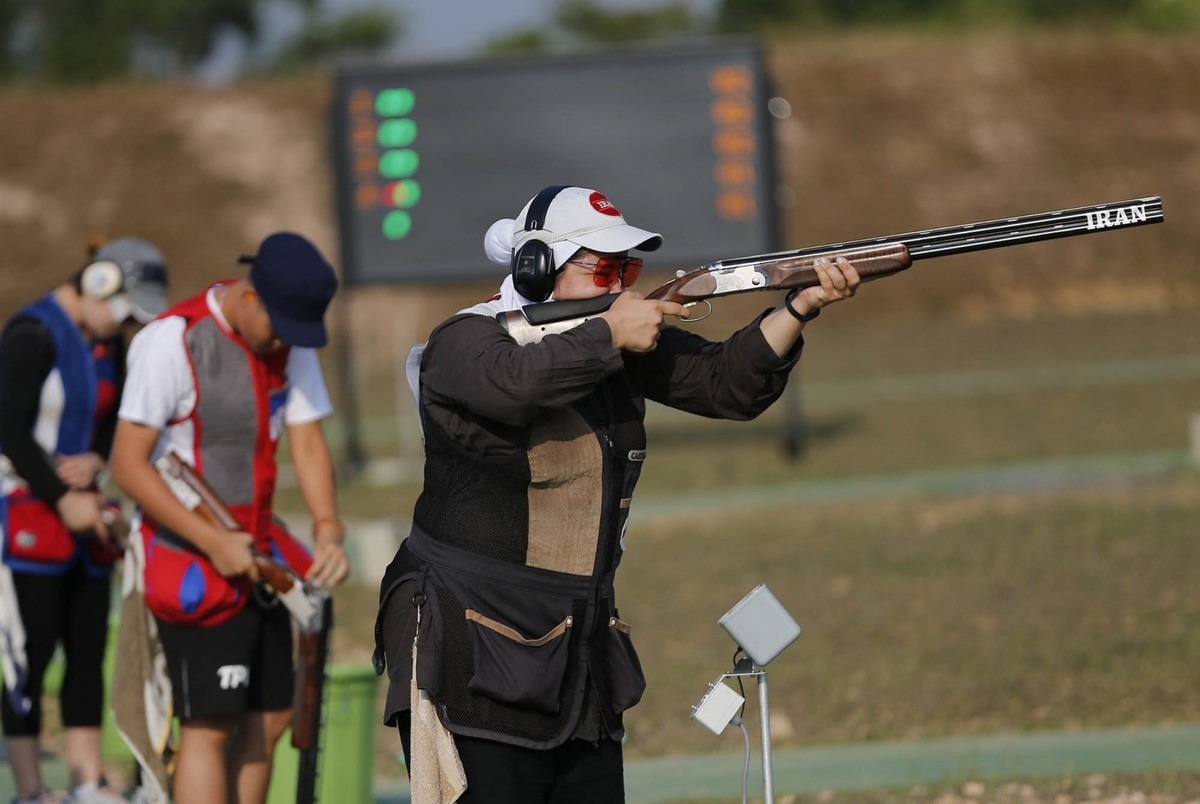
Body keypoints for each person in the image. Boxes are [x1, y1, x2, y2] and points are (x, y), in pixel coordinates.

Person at [374, 185, 862, 803]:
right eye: (604, 269)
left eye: (628, 269)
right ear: (535, 266)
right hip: (471, 650)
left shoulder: (612, 340)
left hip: (578, 651)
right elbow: (515, 387)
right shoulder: (465, 341)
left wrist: (799, 306)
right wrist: (607, 334)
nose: (622, 285)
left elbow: (725, 386)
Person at [109, 231, 350, 804]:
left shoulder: (290, 338)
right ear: (250, 297)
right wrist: (210, 542)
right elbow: (128, 464)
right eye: (280, 327)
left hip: (259, 553)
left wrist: (328, 526)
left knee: (268, 719)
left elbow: (308, 440)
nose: (285, 344)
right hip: (189, 556)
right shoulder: (170, 341)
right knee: (210, 724)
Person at [0, 237, 170, 804]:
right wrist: (58, 494)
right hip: (26, 519)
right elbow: (8, 428)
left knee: (86, 649)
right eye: (121, 309)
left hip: (87, 524)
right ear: (97, 283)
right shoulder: (31, 334)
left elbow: (114, 423)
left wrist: (98, 461)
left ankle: (85, 779)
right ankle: (29, 786)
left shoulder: (108, 346)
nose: (121, 325)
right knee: (29, 656)